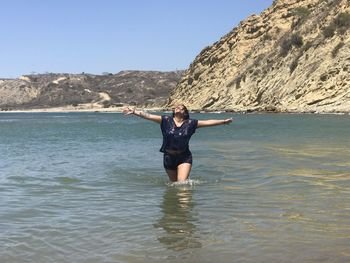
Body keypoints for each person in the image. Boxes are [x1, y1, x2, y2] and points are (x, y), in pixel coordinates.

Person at [123, 104, 233, 182]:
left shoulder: (191, 123)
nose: (178, 107)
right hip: (168, 157)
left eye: (181, 107)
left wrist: (223, 122)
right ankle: (175, 212)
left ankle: (184, 210)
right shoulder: (165, 120)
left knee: (181, 184)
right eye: (176, 107)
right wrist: (135, 112)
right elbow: (148, 116)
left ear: (185, 112)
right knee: (175, 185)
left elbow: (208, 122)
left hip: (184, 156)